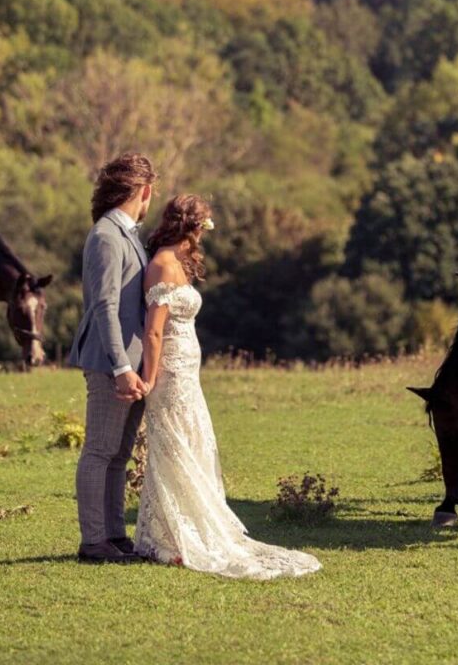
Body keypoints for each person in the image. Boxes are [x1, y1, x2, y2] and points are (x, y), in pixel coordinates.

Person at [134, 194, 321, 579]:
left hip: (188, 371)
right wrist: (150, 378)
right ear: (192, 228)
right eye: (202, 228)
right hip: (168, 372)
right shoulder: (162, 266)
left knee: (191, 440)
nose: (203, 236)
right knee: (173, 444)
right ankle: (168, 537)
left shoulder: (179, 264)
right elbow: (153, 331)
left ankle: (179, 528)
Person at [68, 155, 157, 564]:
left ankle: (113, 535)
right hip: (110, 363)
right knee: (100, 450)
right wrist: (122, 367)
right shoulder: (106, 236)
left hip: (131, 364)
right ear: (145, 191)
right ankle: (93, 542)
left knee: (120, 454)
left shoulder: (128, 234)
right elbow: (104, 305)